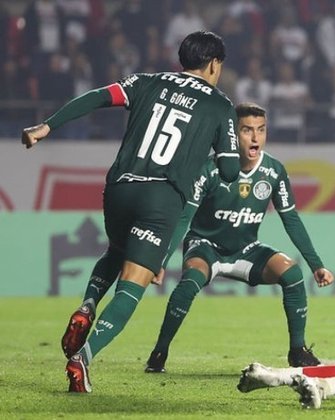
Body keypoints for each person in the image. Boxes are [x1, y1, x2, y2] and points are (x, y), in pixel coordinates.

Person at [21, 30, 241, 393]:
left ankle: (87, 305)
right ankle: (82, 359)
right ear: (215, 64)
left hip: (119, 188)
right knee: (132, 285)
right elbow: (231, 171)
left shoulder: (145, 81)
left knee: (117, 250)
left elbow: (97, 96)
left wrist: (47, 126)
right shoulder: (220, 105)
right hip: (161, 198)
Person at [144, 103, 335, 373]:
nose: (255, 137)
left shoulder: (273, 171)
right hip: (206, 246)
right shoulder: (209, 169)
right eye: (247, 130)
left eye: (261, 130)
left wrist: (316, 265)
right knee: (191, 280)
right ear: (233, 135)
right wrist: (161, 260)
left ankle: (298, 351)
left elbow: (291, 219)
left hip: (246, 250)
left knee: (292, 274)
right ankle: (159, 353)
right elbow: (184, 218)